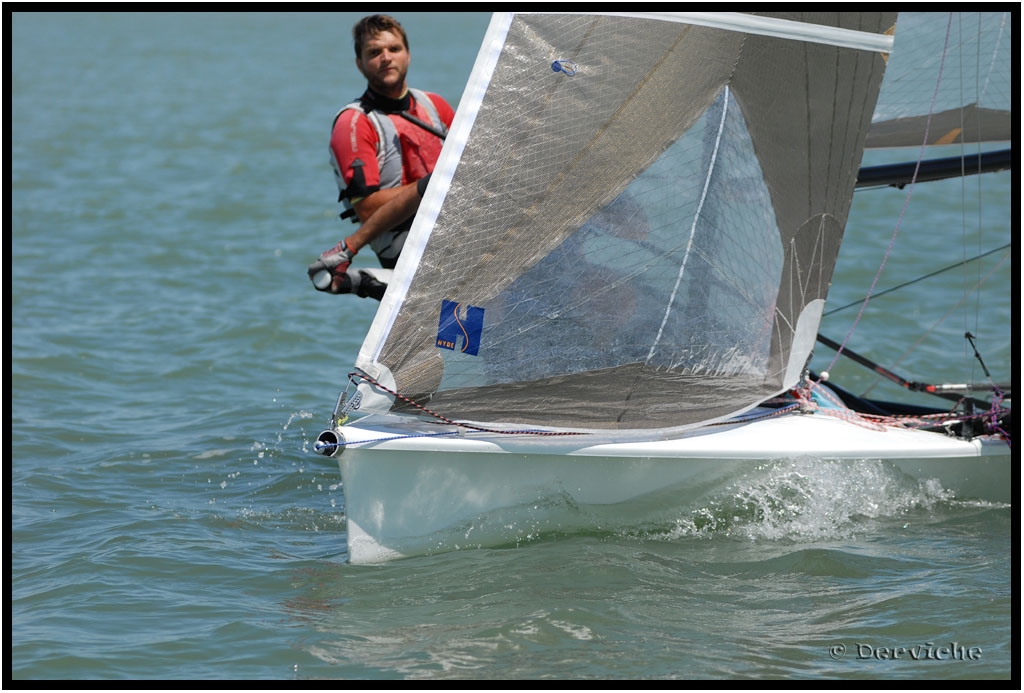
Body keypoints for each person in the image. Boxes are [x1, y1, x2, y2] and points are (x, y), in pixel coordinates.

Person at [309, 14, 454, 300]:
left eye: (394, 49)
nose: (386, 58)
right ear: (359, 64)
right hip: (404, 247)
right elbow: (366, 209)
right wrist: (434, 184)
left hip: (459, 229)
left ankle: (369, 285)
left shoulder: (434, 105)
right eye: (374, 52)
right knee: (464, 327)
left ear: (408, 55)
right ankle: (376, 284)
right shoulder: (354, 122)